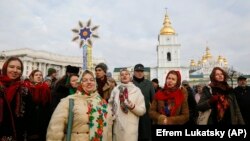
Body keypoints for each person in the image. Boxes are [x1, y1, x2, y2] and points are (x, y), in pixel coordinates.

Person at [47, 70, 112, 141]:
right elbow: (55, 129)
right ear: (80, 83)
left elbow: (108, 130)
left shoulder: (102, 103)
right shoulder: (69, 101)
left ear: (95, 83)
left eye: (92, 80)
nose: (89, 82)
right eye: (85, 80)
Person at [0, 57, 32, 140]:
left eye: (18, 68)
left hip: (17, 135)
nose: (15, 70)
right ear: (5, 68)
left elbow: (29, 115)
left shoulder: (25, 90)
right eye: (11, 67)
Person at [109, 68, 146, 141]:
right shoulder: (116, 90)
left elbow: (142, 111)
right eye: (122, 75)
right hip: (117, 128)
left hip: (130, 130)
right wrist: (112, 114)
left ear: (130, 76)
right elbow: (110, 105)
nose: (124, 76)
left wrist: (133, 107)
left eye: (126, 74)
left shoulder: (137, 91)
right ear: (120, 77)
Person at [25, 69, 51, 141]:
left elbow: (49, 104)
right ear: (32, 77)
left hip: (42, 118)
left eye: (40, 75)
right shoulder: (26, 87)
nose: (39, 77)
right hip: (29, 118)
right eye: (36, 75)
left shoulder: (46, 88)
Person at [132, 63, 155, 141]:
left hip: (146, 115)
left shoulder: (149, 84)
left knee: (146, 136)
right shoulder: (130, 83)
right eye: (137, 71)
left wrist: (153, 113)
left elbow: (154, 100)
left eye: (141, 71)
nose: (139, 73)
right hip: (133, 114)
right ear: (134, 72)